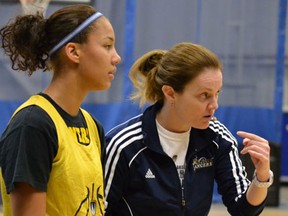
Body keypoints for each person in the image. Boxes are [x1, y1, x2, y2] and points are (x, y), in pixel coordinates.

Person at [104, 42, 273, 216]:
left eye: (217, 93)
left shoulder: (217, 138)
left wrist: (261, 177)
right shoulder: (123, 145)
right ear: (170, 93)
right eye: (204, 95)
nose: (214, 105)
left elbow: (243, 210)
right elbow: (98, 211)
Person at [0, 4, 121, 216]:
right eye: (107, 46)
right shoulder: (33, 124)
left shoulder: (93, 127)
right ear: (73, 52)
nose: (116, 57)